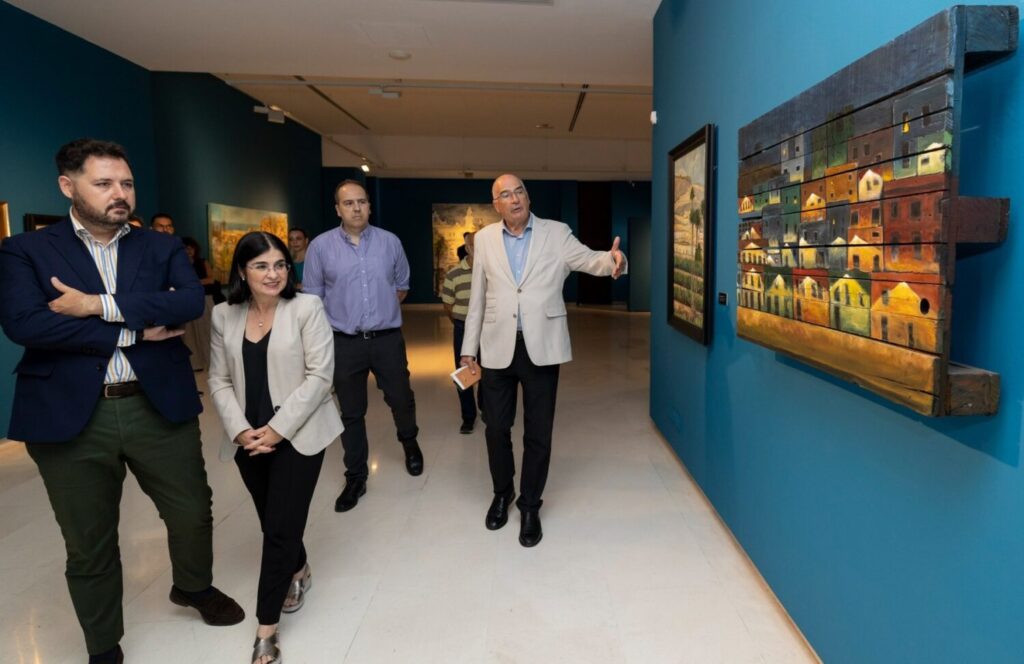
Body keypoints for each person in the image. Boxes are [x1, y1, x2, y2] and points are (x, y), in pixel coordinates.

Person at [0, 138, 243, 664]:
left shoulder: (160, 247)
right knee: (89, 540)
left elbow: (184, 302)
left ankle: (193, 587)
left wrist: (93, 305)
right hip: (69, 416)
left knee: (192, 513)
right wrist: (128, 331)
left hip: (157, 405)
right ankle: (102, 645)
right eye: (104, 183)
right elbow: (26, 323)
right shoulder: (27, 250)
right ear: (69, 187)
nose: (119, 194)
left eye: (127, 184)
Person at [460, 174, 626, 548]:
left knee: (539, 433)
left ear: (528, 197)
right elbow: (478, 298)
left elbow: (589, 260)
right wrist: (468, 349)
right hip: (496, 348)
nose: (514, 198)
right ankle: (502, 493)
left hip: (542, 348)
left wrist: (613, 260)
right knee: (496, 428)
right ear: (496, 205)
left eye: (519, 191)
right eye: (505, 194)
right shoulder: (485, 239)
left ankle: (530, 504)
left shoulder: (555, 232)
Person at [208, 231, 342, 664]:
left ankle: (266, 629)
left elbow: (321, 377)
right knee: (273, 518)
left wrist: (278, 429)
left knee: (279, 530)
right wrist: (241, 429)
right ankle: (299, 568)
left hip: (298, 435)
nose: (274, 273)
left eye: (281, 264)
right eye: (262, 265)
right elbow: (218, 379)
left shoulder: (307, 308)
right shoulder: (224, 315)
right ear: (242, 272)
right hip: (249, 439)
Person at [304, 179, 423, 513]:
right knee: (351, 413)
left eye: (361, 202)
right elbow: (313, 298)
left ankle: (410, 442)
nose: (356, 208)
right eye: (348, 203)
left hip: (387, 340)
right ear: (337, 208)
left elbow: (401, 286)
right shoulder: (321, 247)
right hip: (344, 343)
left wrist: (378, 313)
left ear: (369, 205)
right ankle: (356, 476)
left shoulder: (390, 242)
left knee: (401, 398)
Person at [441, 231, 483, 434]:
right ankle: (468, 417)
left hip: (490, 330)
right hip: (463, 328)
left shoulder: (493, 271)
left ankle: (486, 407)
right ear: (467, 248)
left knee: (491, 372)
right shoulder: (454, 274)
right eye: (475, 245)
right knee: (465, 374)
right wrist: (461, 323)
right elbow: (448, 304)